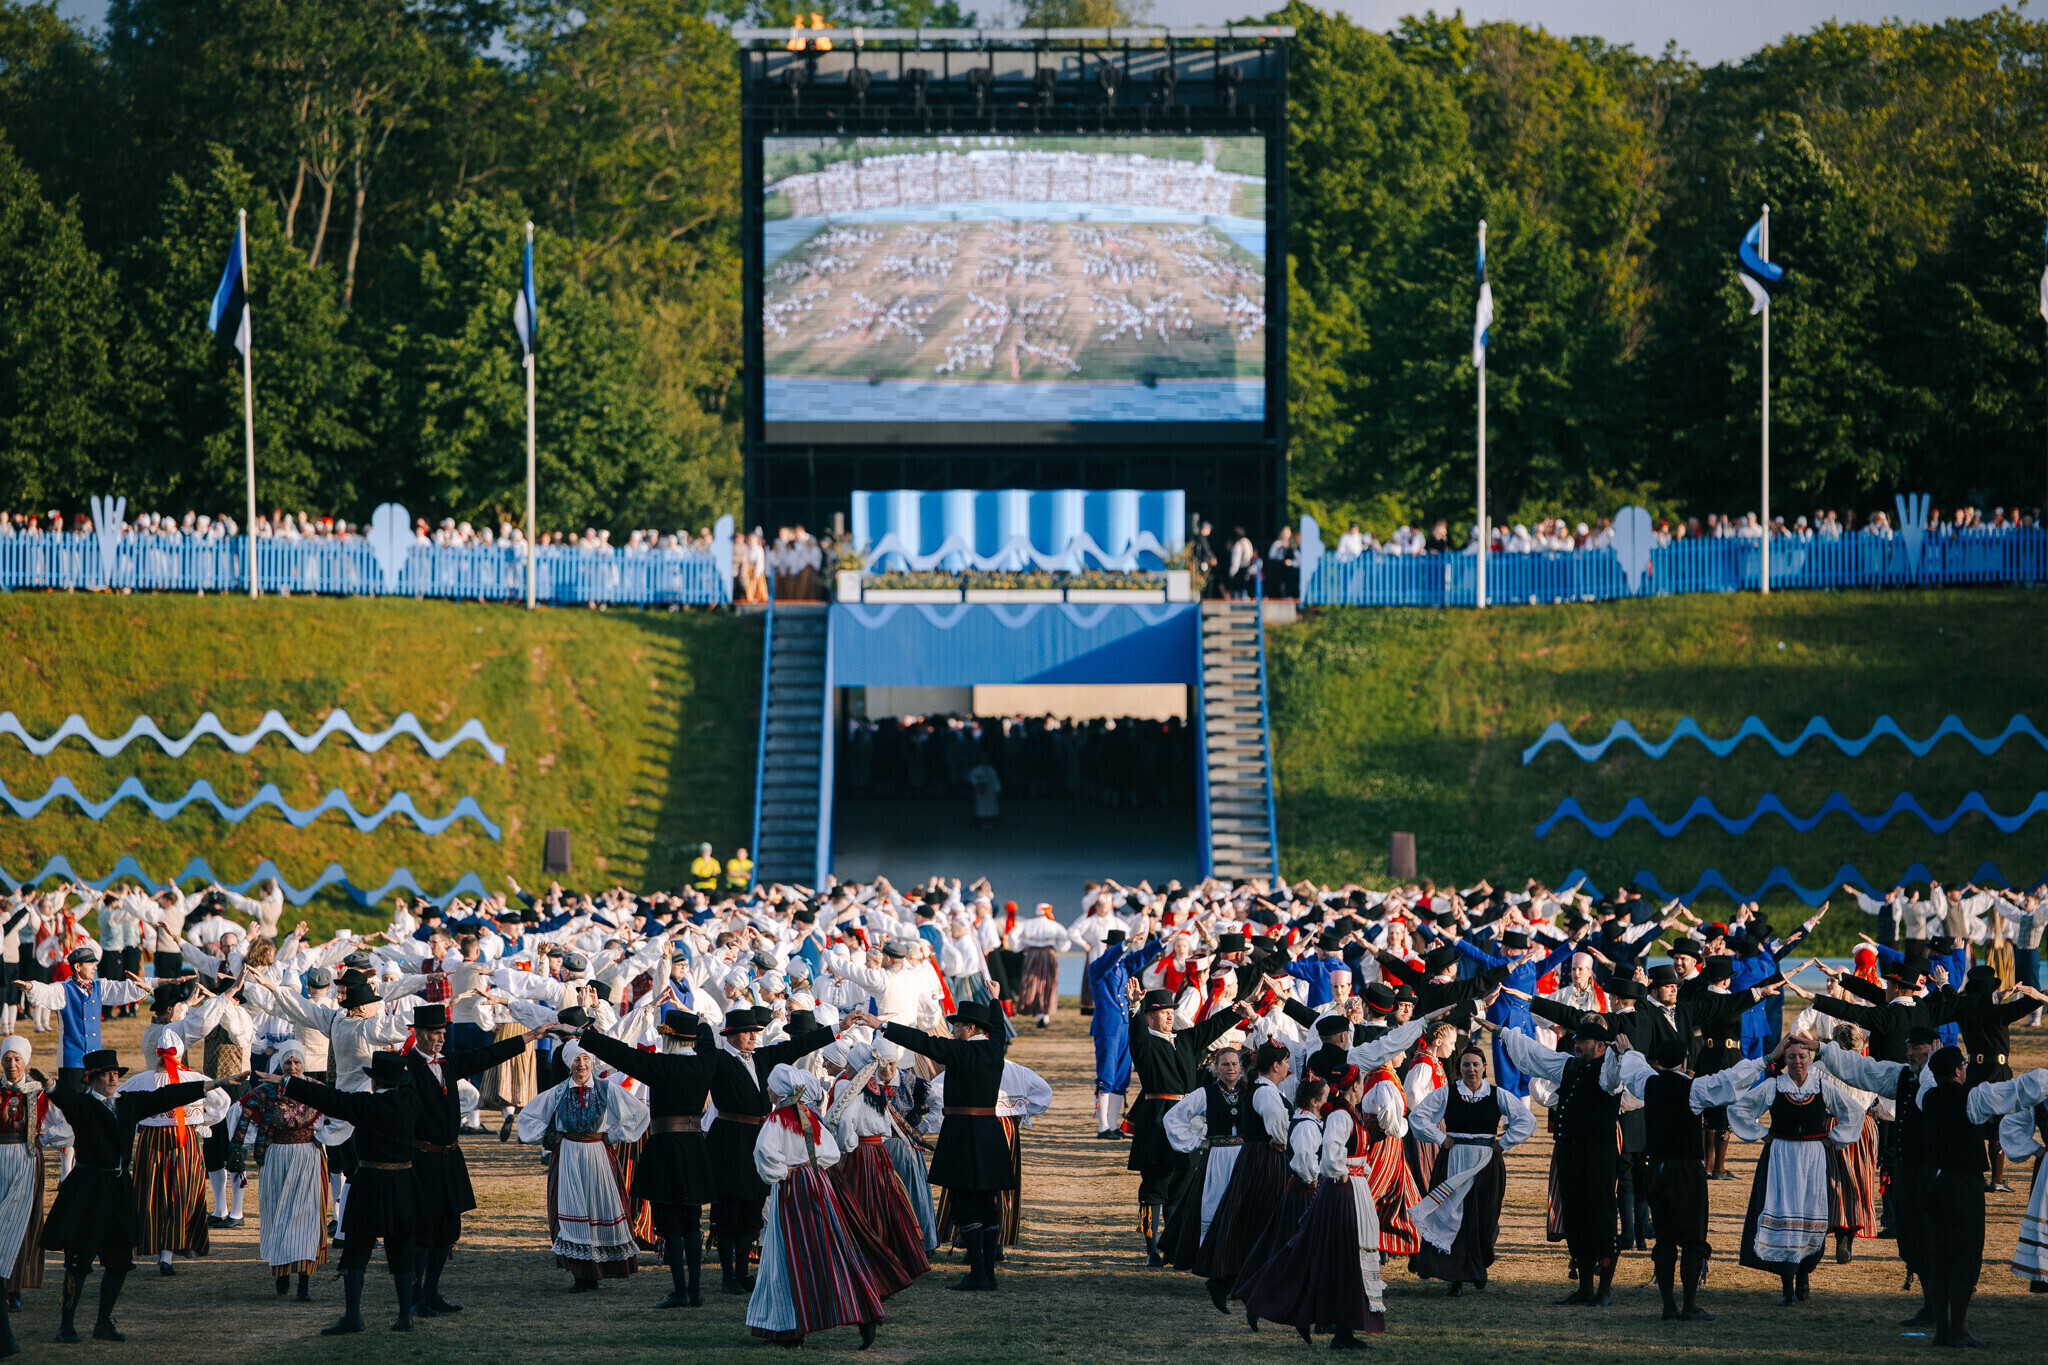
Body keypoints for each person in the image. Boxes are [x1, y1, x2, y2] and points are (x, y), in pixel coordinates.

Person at [43, 1049, 219, 1343]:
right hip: (88, 1189)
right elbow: (66, 1098)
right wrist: (50, 1084)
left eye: (115, 1074)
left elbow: (168, 1096)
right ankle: (66, 1325)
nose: (113, 1079)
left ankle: (103, 1323)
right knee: (78, 1261)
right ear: (92, 1078)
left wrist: (215, 1083)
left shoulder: (128, 1103)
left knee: (119, 1260)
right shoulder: (84, 1105)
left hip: (119, 1190)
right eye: (106, 1074)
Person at [264, 1050, 426, 1335]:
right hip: (402, 1183)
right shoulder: (412, 1101)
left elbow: (328, 1098)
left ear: (375, 1081)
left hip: (370, 1182)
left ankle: (353, 1316)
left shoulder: (364, 1104)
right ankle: (405, 1316)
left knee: (356, 1250)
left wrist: (286, 1082)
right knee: (401, 1249)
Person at [401, 1002, 541, 1317]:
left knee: (448, 1229)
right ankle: (415, 1297)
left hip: (449, 1159)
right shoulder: (406, 1068)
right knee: (422, 1231)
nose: (441, 1038)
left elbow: (489, 1055)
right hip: (422, 1161)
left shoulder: (448, 1063)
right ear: (419, 1034)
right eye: (436, 1033)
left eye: (443, 1033)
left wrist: (531, 1035)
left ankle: (432, 1292)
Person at [576, 1009, 722, 1307]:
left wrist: (583, 1035)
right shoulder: (705, 1062)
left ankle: (680, 1291)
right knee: (692, 1221)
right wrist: (704, 1025)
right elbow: (708, 1043)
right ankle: (695, 1290)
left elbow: (620, 1053)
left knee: (670, 1223)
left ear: (669, 1038)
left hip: (666, 1146)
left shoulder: (660, 1065)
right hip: (694, 1145)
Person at [707, 1005, 857, 1295]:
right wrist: (702, 1031)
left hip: (760, 1133)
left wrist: (838, 1028)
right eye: (747, 1033)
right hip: (730, 1141)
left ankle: (743, 1272)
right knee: (728, 1209)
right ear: (731, 1035)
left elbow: (798, 1045)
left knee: (752, 1207)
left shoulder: (761, 1057)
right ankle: (728, 1275)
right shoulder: (719, 1059)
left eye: (754, 1032)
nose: (753, 1037)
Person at [1614, 1037, 1766, 1319]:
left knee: (1665, 1237)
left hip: (1656, 1167)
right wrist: (1766, 1060)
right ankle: (1690, 1306)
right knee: (1693, 1238)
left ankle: (1668, 1306)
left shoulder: (1649, 1083)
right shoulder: (1694, 1088)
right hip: (1685, 1170)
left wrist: (1628, 1051)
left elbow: (1635, 1068)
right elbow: (1731, 1079)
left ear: (1659, 1062)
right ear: (1684, 1062)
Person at [1235, 1065, 1385, 1350]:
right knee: (1315, 1253)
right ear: (1355, 1086)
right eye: (1362, 1082)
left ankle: (1341, 1330)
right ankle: (1264, 1300)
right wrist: (1340, 1171)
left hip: (1350, 1189)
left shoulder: (1349, 1114)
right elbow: (1329, 1154)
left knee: (1337, 1257)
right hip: (1339, 1191)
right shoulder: (1339, 1116)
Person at [745, 1065, 883, 1348]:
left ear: (779, 1090)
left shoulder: (777, 1119)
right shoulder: (808, 1115)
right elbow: (831, 1153)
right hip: (819, 1184)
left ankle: (790, 1328)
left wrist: (782, 1171)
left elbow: (764, 1153)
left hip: (793, 1189)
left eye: (771, 1086)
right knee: (830, 1249)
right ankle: (862, 1311)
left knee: (788, 1254)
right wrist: (813, 1165)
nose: (768, 1090)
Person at [880, 998, 1012, 1291]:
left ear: (971, 1028)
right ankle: (988, 1273)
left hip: (964, 1134)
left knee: (966, 1204)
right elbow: (999, 1028)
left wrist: (883, 1026)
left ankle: (978, 1274)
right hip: (990, 1133)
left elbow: (922, 1042)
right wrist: (995, 1000)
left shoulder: (961, 1051)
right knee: (987, 1205)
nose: (953, 1032)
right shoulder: (995, 1047)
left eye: (957, 1026)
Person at [1728, 1031, 1866, 1305]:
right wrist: (1763, 1134)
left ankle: (1803, 1274)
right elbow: (1739, 1109)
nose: (1797, 1061)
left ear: (1810, 1058)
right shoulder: (1774, 1086)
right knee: (1784, 1212)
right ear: (1785, 1059)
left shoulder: (1822, 1086)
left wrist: (1833, 1138)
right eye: (1791, 1057)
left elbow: (1854, 1111)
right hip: (1782, 1158)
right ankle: (1787, 1286)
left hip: (1813, 1158)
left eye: (1802, 1056)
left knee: (1809, 1212)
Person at [1500, 1015, 1628, 1305]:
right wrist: (1501, 1032)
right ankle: (1585, 1288)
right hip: (1570, 1151)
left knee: (1601, 1217)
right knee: (1575, 1216)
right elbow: (1535, 1055)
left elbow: (1616, 1077)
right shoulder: (1569, 1065)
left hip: (1598, 1154)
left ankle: (1604, 1290)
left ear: (1600, 1046)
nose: (1577, 1045)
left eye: (1583, 1042)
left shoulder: (1610, 1071)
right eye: (1576, 1041)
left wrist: (1620, 1055)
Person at [1126, 988, 1256, 1265]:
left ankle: (1173, 1246)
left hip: (1188, 1118)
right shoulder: (1144, 1043)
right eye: (1163, 1012)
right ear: (1150, 1016)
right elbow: (1136, 1033)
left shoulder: (1184, 1039)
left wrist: (1240, 1006)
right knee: (1154, 1188)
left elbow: (1214, 1025)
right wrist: (1134, 1007)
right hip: (1157, 1121)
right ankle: (1151, 1249)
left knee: (1181, 1187)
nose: (1169, 1017)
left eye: (1171, 1012)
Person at [516, 1037, 649, 1289]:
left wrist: (614, 1135)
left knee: (599, 1207)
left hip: (598, 1153)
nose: (582, 1064)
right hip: (568, 1155)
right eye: (576, 1059)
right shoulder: (557, 1093)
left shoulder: (606, 1089)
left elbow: (639, 1112)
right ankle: (581, 1273)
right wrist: (550, 1135)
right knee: (573, 1208)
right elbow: (528, 1118)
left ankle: (602, 1268)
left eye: (586, 1058)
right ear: (569, 1063)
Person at [1405, 1040, 1535, 1295]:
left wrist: (1503, 1143)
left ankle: (1479, 1265)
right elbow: (1418, 1116)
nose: (1471, 1069)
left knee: (1485, 1218)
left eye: (1476, 1064)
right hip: (1454, 1160)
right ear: (1459, 1068)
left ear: (1484, 1067)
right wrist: (1440, 1138)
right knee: (1456, 1218)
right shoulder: (1447, 1092)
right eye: (1466, 1065)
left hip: (1486, 1163)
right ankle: (1457, 1277)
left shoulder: (1497, 1094)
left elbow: (1527, 1120)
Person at [1192, 1041, 1292, 1313]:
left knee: (1250, 1218)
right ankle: (1230, 1282)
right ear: (1275, 1065)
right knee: (1262, 1217)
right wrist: (1281, 1141)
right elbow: (1278, 1128)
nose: (1287, 1067)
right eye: (1285, 1062)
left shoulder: (1259, 1088)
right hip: (1264, 1160)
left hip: (1255, 1157)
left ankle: (1236, 1282)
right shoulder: (1266, 1093)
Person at [823, 1042, 930, 1295]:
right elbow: (886, 1125)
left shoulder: (855, 1091)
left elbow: (846, 1123)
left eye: (850, 1065)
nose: (847, 1068)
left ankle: (871, 1263)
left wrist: (846, 1148)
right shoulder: (875, 1089)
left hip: (861, 1154)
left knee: (860, 1207)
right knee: (884, 1204)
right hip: (878, 1152)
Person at [120, 1036, 232, 1277]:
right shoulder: (195, 1079)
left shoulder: (140, 1080)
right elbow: (223, 1101)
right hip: (184, 1140)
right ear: (180, 1054)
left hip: (151, 1140)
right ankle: (166, 1254)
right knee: (181, 1193)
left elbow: (118, 1103)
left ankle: (153, 1247)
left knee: (151, 1193)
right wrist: (203, 1120)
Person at [234, 1041, 331, 1300]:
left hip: (307, 1156)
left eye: (297, 1062)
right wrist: (252, 1143)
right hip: (277, 1156)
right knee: (278, 1213)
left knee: (307, 1217)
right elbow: (241, 1114)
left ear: (303, 1064)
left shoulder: (316, 1090)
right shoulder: (266, 1091)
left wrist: (322, 1137)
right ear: (280, 1063)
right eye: (288, 1062)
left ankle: (304, 1284)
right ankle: (282, 1273)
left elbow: (336, 1116)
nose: (292, 1067)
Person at [0, 1036, 63, 1313]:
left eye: (17, 1059)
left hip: (26, 1161)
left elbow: (65, 1125)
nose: (12, 1065)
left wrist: (44, 1139)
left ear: (25, 1061)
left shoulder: (38, 1093)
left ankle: (13, 1288)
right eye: (7, 1059)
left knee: (19, 1224)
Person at [1088, 929, 1162, 1138]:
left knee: (1122, 1077)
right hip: (1107, 1028)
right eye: (1116, 948)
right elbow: (1110, 958)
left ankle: (1112, 1125)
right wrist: (1126, 943)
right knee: (1106, 1075)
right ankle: (1102, 1126)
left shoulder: (1123, 966)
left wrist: (1160, 943)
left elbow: (1141, 957)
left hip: (1123, 1027)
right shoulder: (1098, 967)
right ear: (1108, 947)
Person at [1012, 904, 1068, 1028]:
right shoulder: (1054, 925)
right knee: (1048, 983)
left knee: (1031, 983)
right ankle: (1045, 1015)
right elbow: (1065, 939)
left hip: (1032, 954)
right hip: (1049, 954)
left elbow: (1013, 935)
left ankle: (1037, 1012)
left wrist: (1020, 946)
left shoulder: (1027, 924)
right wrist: (1058, 947)